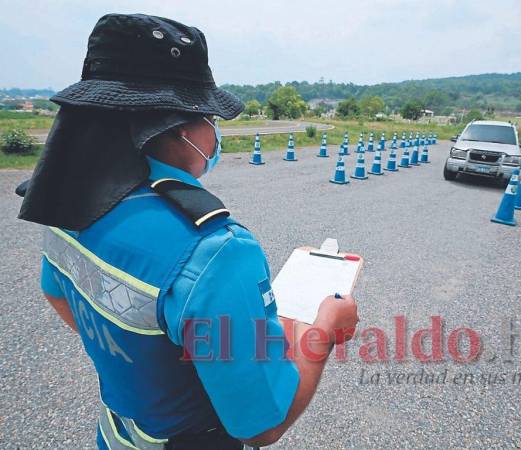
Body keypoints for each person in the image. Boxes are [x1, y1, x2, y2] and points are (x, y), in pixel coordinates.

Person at [17, 13, 359, 449]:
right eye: (211, 118)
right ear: (182, 129)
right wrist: (324, 332)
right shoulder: (213, 250)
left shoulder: (67, 204)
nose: (215, 133)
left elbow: (57, 293)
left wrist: (135, 368)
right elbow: (262, 427)